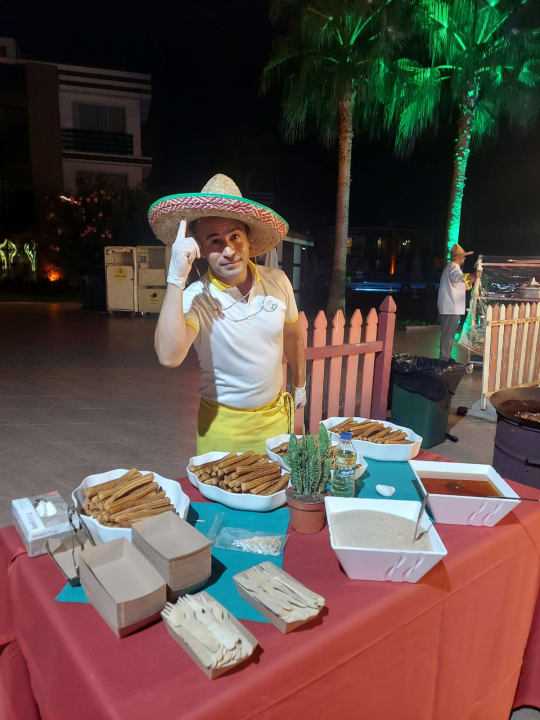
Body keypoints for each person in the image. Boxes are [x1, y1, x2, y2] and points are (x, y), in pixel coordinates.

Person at [149, 173, 306, 454]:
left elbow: (293, 337)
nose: (229, 250)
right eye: (215, 241)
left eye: (235, 237)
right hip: (222, 429)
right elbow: (169, 356)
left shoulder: (278, 281)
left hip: (276, 423)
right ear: (200, 249)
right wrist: (175, 278)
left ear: (248, 238)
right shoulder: (196, 297)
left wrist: (300, 387)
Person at [437, 243, 482, 361]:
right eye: (463, 256)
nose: (465, 258)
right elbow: (457, 278)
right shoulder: (453, 267)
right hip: (450, 307)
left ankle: (446, 357)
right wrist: (472, 275)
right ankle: (444, 359)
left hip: (450, 307)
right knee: (448, 334)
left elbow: (460, 282)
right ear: (458, 257)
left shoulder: (452, 268)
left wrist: (471, 278)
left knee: (449, 334)